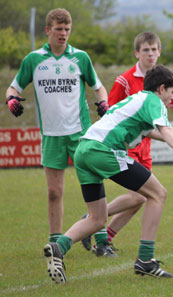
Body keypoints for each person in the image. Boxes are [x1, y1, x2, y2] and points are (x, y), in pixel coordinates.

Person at [43, 65, 173, 284]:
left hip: (84, 151)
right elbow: (165, 129)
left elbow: (148, 131)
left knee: (97, 219)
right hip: (103, 150)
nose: (172, 98)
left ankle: (58, 247)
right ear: (161, 88)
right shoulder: (153, 100)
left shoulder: (137, 99)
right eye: (171, 93)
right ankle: (146, 261)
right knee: (158, 194)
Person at [81, 32, 173, 257]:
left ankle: (102, 234)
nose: (150, 54)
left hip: (144, 146)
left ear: (159, 52)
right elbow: (113, 113)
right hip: (121, 145)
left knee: (142, 198)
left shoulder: (163, 81)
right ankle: (98, 228)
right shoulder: (126, 80)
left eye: (154, 50)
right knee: (145, 195)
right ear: (137, 53)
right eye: (146, 50)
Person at [5, 8, 109, 245]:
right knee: (53, 192)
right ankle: (55, 242)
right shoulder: (33, 60)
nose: (63, 34)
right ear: (48, 30)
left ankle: (102, 240)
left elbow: (98, 86)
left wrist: (104, 102)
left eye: (67, 29)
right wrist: (11, 99)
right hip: (51, 135)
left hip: (80, 133)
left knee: (92, 184)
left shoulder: (80, 58)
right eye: (59, 29)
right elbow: (13, 88)